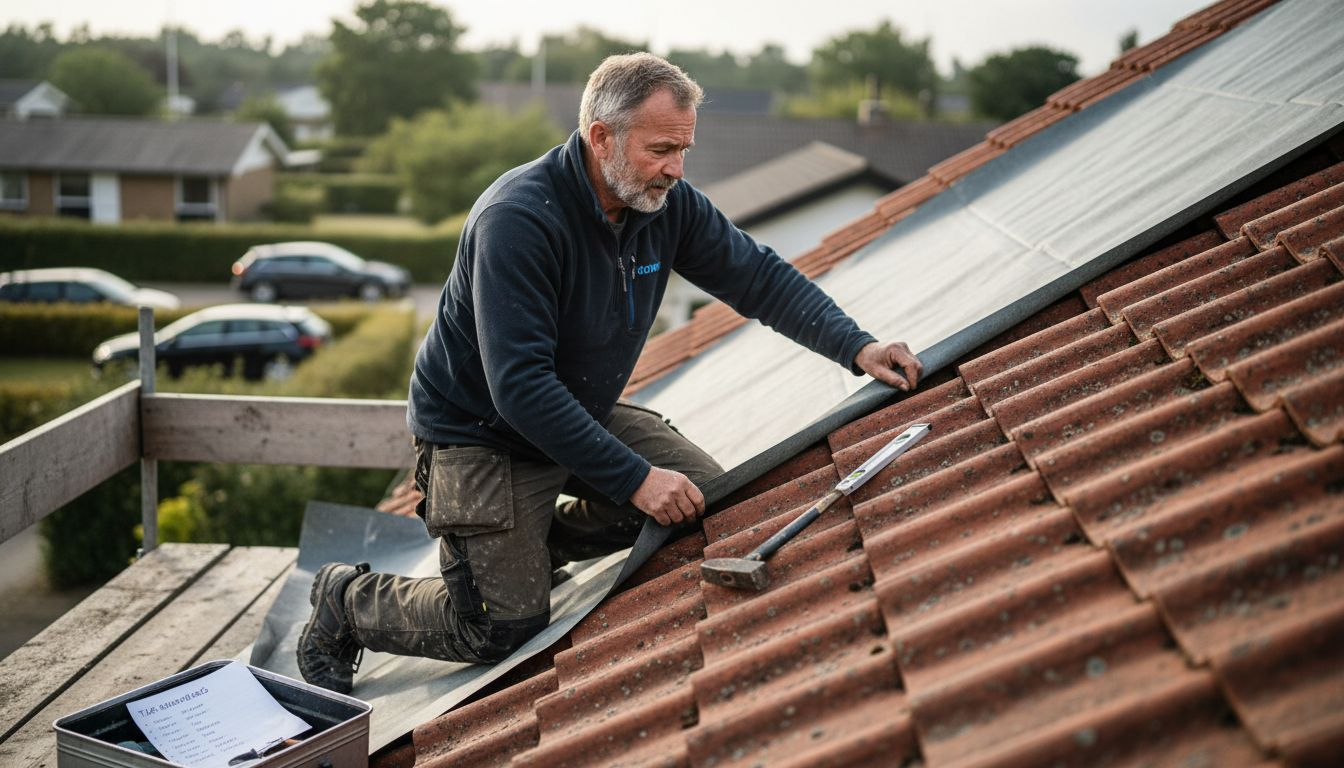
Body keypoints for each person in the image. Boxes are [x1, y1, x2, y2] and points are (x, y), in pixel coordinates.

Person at [297, 52, 922, 694]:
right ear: (601, 137)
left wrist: (857, 347)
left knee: (705, 498)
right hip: (482, 434)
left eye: (684, 148)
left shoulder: (664, 205)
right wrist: (634, 479)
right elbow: (519, 388)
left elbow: (757, 276)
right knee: (496, 627)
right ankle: (347, 600)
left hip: (572, 413)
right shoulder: (518, 220)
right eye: (660, 149)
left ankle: (534, 546)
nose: (676, 168)